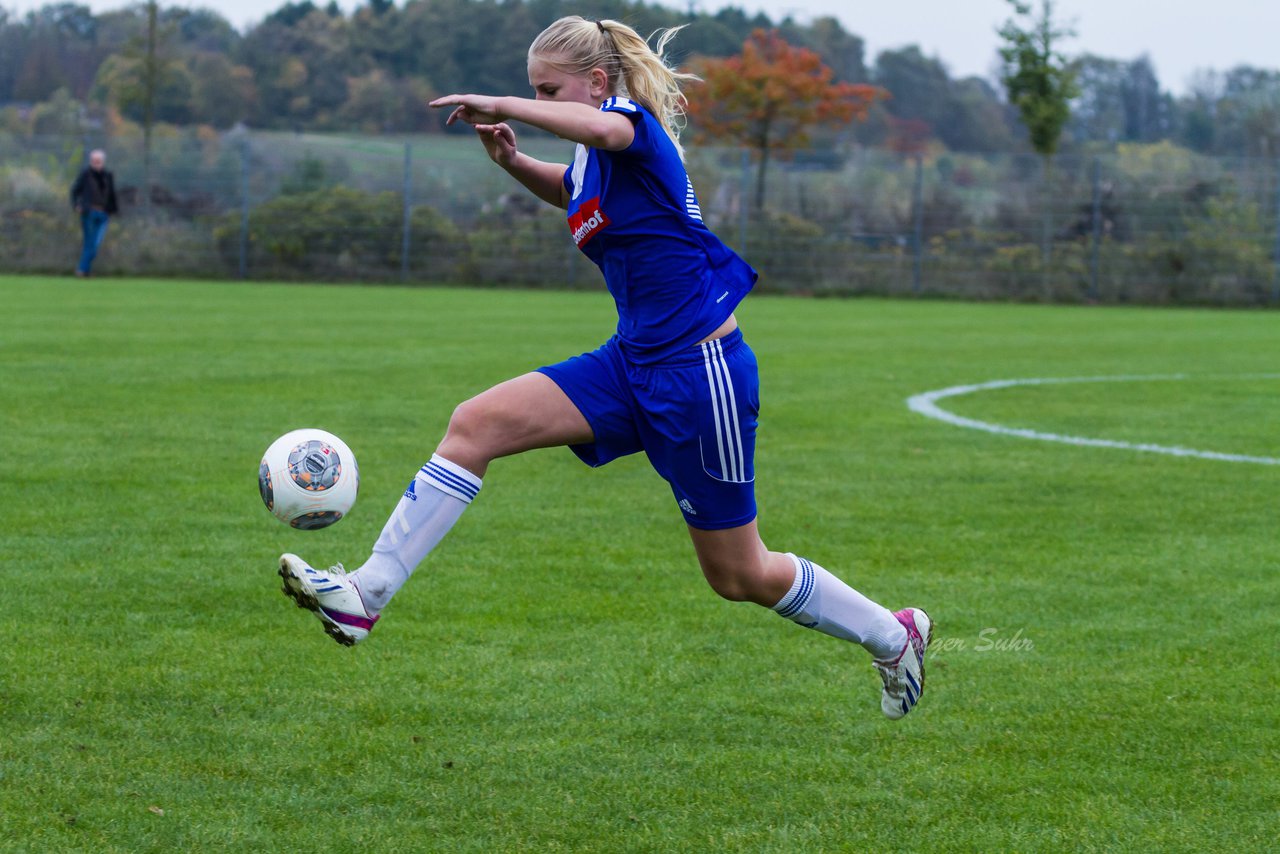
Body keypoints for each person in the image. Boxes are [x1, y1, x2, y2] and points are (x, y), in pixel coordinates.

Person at [277, 16, 932, 719]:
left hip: (698, 373)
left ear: (596, 82)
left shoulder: (629, 124)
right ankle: (366, 597)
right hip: (631, 362)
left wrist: (504, 104)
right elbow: (576, 189)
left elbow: (599, 134)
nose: (541, 100)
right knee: (477, 424)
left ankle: (892, 639)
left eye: (549, 89)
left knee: (739, 574)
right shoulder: (594, 159)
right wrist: (514, 164)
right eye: (534, 91)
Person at [68, 149, 119, 277]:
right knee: (90, 243)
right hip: (89, 213)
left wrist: (114, 210)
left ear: (103, 162)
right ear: (91, 161)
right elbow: (75, 191)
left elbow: (112, 194)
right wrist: (76, 205)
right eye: (94, 161)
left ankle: (84, 270)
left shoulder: (107, 176)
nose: (96, 163)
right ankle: (82, 270)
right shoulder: (85, 175)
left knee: (95, 244)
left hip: (104, 214)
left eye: (99, 161)